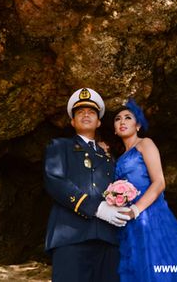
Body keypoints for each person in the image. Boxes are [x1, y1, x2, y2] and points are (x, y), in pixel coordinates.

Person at [44, 87, 132, 282]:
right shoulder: (59, 146)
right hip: (70, 237)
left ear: (99, 122)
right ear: (72, 121)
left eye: (91, 112)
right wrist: (95, 207)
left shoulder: (109, 157)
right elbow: (55, 181)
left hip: (109, 239)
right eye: (80, 112)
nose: (86, 114)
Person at [113, 99, 177, 281]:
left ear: (138, 125)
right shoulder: (119, 157)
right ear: (114, 129)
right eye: (117, 119)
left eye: (128, 117)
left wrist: (136, 209)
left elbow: (159, 182)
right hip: (129, 222)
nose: (122, 121)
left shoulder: (145, 144)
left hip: (150, 216)